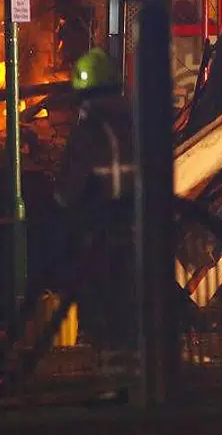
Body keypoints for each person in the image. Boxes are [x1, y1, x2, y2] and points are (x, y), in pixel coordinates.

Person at [55, 48, 138, 367]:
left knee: (99, 299)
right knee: (129, 295)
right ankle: (137, 369)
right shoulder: (136, 128)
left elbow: (67, 192)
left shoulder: (88, 134)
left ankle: (111, 366)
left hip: (98, 233)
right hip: (136, 228)